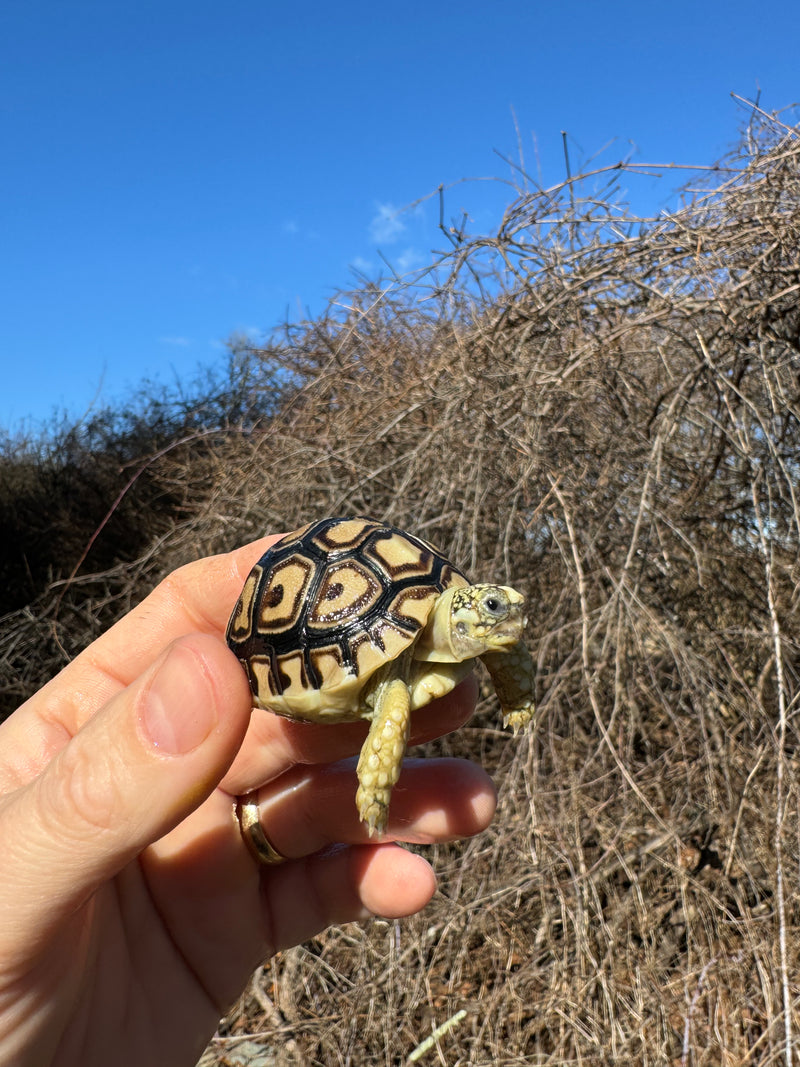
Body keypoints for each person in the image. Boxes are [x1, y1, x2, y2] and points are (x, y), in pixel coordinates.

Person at [0, 536, 496, 1067]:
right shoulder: (396, 664)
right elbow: (389, 712)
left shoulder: (466, 631)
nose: (504, 619)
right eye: (491, 608)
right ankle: (372, 789)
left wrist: (516, 690)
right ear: (459, 612)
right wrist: (374, 787)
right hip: (297, 640)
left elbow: (503, 645)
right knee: (391, 706)